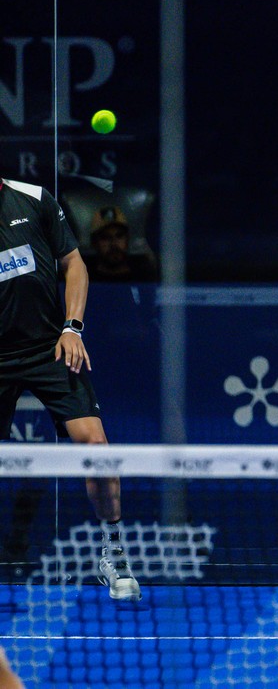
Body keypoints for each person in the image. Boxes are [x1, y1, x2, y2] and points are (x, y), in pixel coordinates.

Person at [0, 178, 141, 601]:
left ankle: (114, 554)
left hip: (50, 347)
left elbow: (74, 262)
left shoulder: (34, 199)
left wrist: (72, 327)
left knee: (96, 447)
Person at [84, 205, 159, 282]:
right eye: (105, 237)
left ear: (127, 239)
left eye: (119, 236)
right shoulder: (84, 280)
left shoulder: (144, 277)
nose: (114, 244)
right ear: (94, 243)